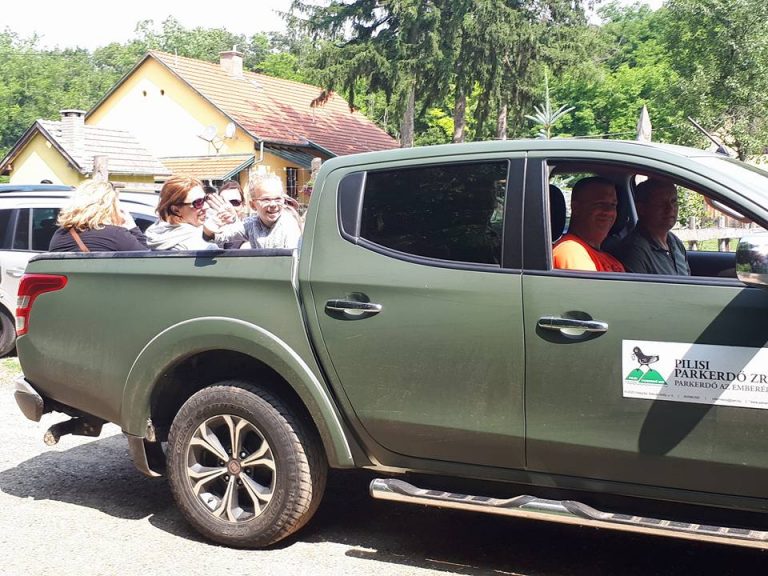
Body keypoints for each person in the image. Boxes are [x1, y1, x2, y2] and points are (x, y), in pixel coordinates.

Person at [612, 178, 690, 275]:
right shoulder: (634, 251)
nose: (670, 208)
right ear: (641, 209)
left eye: (673, 201)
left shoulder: (675, 242)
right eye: (661, 203)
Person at [49, 180, 148, 252]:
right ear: (109, 207)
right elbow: (147, 259)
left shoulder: (60, 235)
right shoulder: (116, 235)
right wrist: (132, 227)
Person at [552, 176, 625, 272]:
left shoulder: (610, 259)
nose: (609, 211)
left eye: (613, 205)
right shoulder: (571, 251)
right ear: (576, 208)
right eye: (600, 204)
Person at [215, 173, 302, 249]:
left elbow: (293, 257)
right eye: (266, 200)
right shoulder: (252, 224)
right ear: (253, 205)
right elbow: (220, 236)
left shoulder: (289, 225)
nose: (273, 204)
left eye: (278, 199)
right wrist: (213, 226)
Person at [145, 175, 220, 250]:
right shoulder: (200, 245)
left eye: (205, 199)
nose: (206, 206)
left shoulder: (155, 234)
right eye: (198, 202)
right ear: (176, 210)